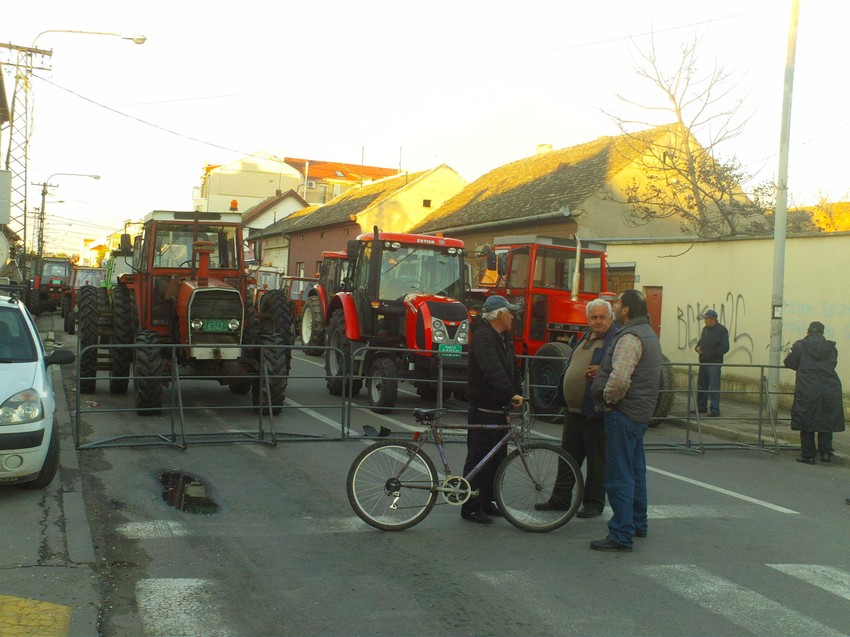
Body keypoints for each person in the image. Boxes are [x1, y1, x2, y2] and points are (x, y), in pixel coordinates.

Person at [590, 289, 662, 552]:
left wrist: (609, 400)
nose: (615, 307)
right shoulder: (649, 334)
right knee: (635, 470)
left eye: (618, 303)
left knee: (619, 474)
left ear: (626, 310)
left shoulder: (630, 336)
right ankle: (637, 523)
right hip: (641, 412)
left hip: (624, 411)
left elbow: (620, 379)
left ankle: (621, 532)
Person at [536, 298, 616, 516]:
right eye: (594, 317)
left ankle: (593, 503)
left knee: (596, 461)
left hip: (595, 412)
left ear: (611, 318)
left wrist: (603, 371)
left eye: (602, 317)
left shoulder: (615, 340)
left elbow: (622, 369)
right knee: (567, 458)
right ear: (587, 319)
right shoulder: (586, 336)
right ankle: (560, 499)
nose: (598, 321)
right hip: (573, 412)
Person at [461, 295, 524, 525]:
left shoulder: (504, 337)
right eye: (510, 312)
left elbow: (512, 368)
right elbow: (492, 369)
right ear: (499, 314)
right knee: (480, 458)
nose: (512, 316)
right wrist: (510, 393)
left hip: (499, 408)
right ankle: (470, 505)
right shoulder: (483, 337)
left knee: (497, 459)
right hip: (484, 408)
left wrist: (518, 391)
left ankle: (487, 500)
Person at [783, 321, 845, 464]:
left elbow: (790, 363)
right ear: (822, 333)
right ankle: (826, 453)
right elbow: (833, 364)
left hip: (808, 387)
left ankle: (808, 455)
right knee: (826, 420)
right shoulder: (831, 347)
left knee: (806, 420)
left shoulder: (800, 345)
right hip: (830, 387)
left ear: (808, 331)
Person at [695, 308, 729, 417]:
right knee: (701, 386)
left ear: (712, 319)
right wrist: (697, 348)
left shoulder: (722, 330)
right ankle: (701, 407)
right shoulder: (705, 330)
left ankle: (715, 409)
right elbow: (700, 342)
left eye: (706, 319)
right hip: (703, 362)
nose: (705, 321)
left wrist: (710, 354)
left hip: (714, 363)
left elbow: (725, 347)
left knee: (714, 387)